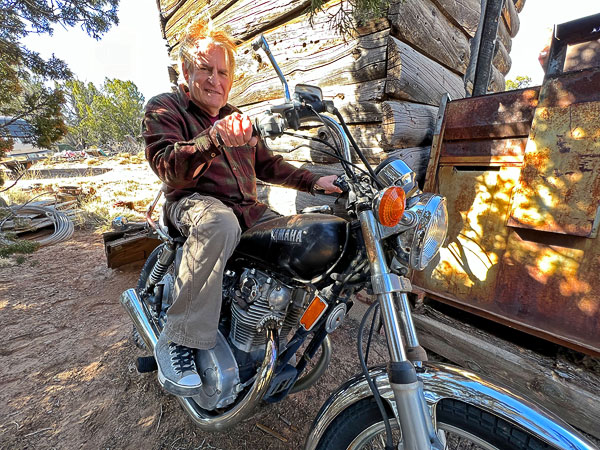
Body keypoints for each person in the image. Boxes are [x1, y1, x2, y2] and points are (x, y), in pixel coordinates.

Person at [142, 19, 341, 397]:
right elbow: (169, 168)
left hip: (246, 209)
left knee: (303, 235)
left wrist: (315, 182)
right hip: (192, 203)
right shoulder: (165, 107)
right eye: (206, 69)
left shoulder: (236, 117)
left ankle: (273, 327)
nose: (215, 79)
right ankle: (177, 338)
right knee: (219, 223)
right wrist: (214, 138)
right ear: (186, 70)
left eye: (223, 72)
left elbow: (268, 165)